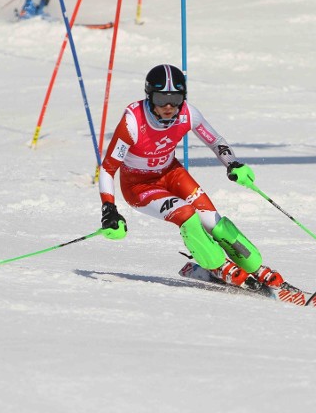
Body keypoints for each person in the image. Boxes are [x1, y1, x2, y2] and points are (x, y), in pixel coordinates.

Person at [97, 64, 285, 288]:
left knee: (215, 223)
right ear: (149, 97)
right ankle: (216, 264)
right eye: (160, 99)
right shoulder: (132, 122)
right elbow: (108, 168)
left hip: (171, 173)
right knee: (186, 214)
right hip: (139, 186)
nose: (168, 106)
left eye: (175, 99)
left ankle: (255, 265)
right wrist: (109, 209)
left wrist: (232, 164)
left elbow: (215, 141)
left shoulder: (188, 114)